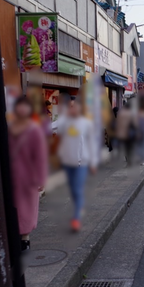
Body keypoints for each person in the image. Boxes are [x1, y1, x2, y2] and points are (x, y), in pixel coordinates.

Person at [8, 97, 48, 251]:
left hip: (28, 176)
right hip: (11, 175)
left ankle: (25, 239)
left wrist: (41, 178)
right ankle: (15, 237)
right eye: (20, 106)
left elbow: (40, 157)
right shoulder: (9, 128)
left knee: (26, 209)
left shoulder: (34, 129)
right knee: (13, 206)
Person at [57, 99, 98, 232]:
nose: (72, 109)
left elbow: (92, 143)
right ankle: (78, 207)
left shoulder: (86, 124)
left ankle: (76, 218)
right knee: (73, 190)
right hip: (68, 162)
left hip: (83, 162)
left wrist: (93, 162)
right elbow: (51, 129)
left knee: (77, 189)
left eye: (75, 106)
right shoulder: (64, 122)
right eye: (70, 107)